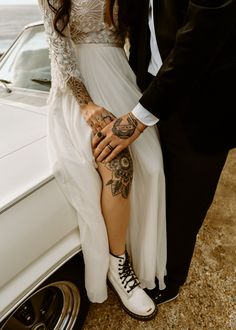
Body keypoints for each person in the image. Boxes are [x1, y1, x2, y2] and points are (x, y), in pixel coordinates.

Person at [93, 0, 236, 305]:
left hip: (204, 106)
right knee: (155, 186)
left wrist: (137, 118)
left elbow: (198, 43)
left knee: (186, 205)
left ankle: (170, 279)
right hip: (147, 93)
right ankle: (146, 260)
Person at [38, 0, 167, 320]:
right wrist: (85, 105)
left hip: (121, 79)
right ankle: (117, 264)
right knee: (118, 162)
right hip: (77, 85)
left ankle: (137, 254)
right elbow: (58, 49)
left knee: (152, 165)